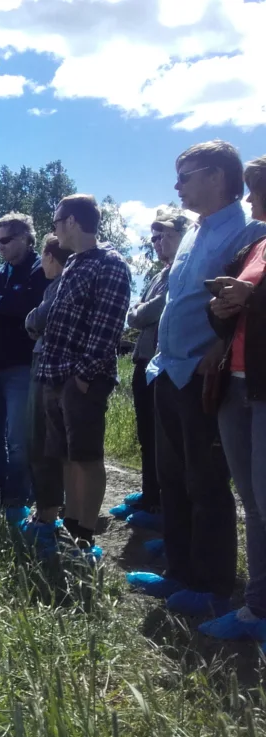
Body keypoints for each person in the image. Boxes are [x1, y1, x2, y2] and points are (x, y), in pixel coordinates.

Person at [128, 140, 266, 617]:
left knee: (206, 482)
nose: (177, 185)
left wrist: (219, 348)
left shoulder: (250, 232)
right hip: (168, 368)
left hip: (204, 375)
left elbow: (246, 307)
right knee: (172, 477)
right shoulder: (192, 234)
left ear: (217, 177)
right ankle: (179, 573)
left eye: (185, 176)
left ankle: (211, 586)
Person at [33, 195, 132, 561]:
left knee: (87, 457)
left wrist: (83, 378)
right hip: (55, 376)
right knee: (66, 457)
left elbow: (107, 327)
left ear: (72, 221)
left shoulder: (109, 264)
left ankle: (85, 540)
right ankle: (71, 531)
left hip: (81, 381)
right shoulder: (75, 263)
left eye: (57, 220)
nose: (54, 227)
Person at [199, 155, 266, 641]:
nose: (247, 199)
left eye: (254, 188)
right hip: (237, 381)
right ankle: (257, 609)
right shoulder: (257, 245)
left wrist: (251, 299)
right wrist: (222, 303)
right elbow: (225, 314)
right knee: (253, 501)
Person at [110, 209, 190, 530]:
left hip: (165, 364)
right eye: (154, 237)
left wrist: (139, 312)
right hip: (144, 361)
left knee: (163, 438)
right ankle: (149, 494)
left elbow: (147, 312)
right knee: (146, 432)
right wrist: (139, 311)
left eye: (165, 235)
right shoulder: (159, 274)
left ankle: (160, 506)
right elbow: (139, 311)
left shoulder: (180, 272)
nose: (157, 242)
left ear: (184, 235)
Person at [0, 213, 49, 519]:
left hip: (21, 365)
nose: (0, 247)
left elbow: (27, 308)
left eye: (5, 240)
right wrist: (3, 302)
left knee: (18, 439)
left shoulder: (39, 269)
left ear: (25, 238)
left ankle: (17, 500)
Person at [21, 233, 72, 538]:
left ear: (51, 258)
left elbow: (38, 319)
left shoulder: (60, 285)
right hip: (52, 364)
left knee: (42, 441)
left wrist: (35, 322)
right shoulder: (57, 285)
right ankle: (53, 511)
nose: (41, 264)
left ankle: (47, 517)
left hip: (48, 365)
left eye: (43, 257)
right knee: (50, 442)